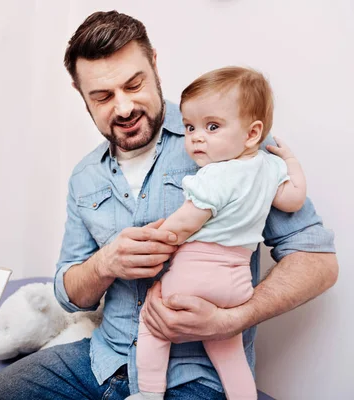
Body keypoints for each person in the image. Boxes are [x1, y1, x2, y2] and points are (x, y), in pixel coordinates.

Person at [0, 10, 337, 400]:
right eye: (103, 97)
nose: (123, 108)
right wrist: (105, 263)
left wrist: (234, 319)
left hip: (196, 376)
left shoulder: (228, 136)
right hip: (99, 359)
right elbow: (68, 292)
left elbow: (319, 261)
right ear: (81, 95)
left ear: (155, 64)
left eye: (134, 84)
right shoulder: (85, 176)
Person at [128, 67, 306, 400]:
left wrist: (155, 239)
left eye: (212, 127)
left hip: (195, 276)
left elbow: (182, 226)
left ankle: (149, 393)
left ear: (252, 134)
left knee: (152, 327)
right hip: (238, 284)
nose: (196, 137)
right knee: (228, 352)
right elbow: (293, 199)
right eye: (189, 127)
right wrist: (291, 160)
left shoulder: (213, 176)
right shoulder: (270, 168)